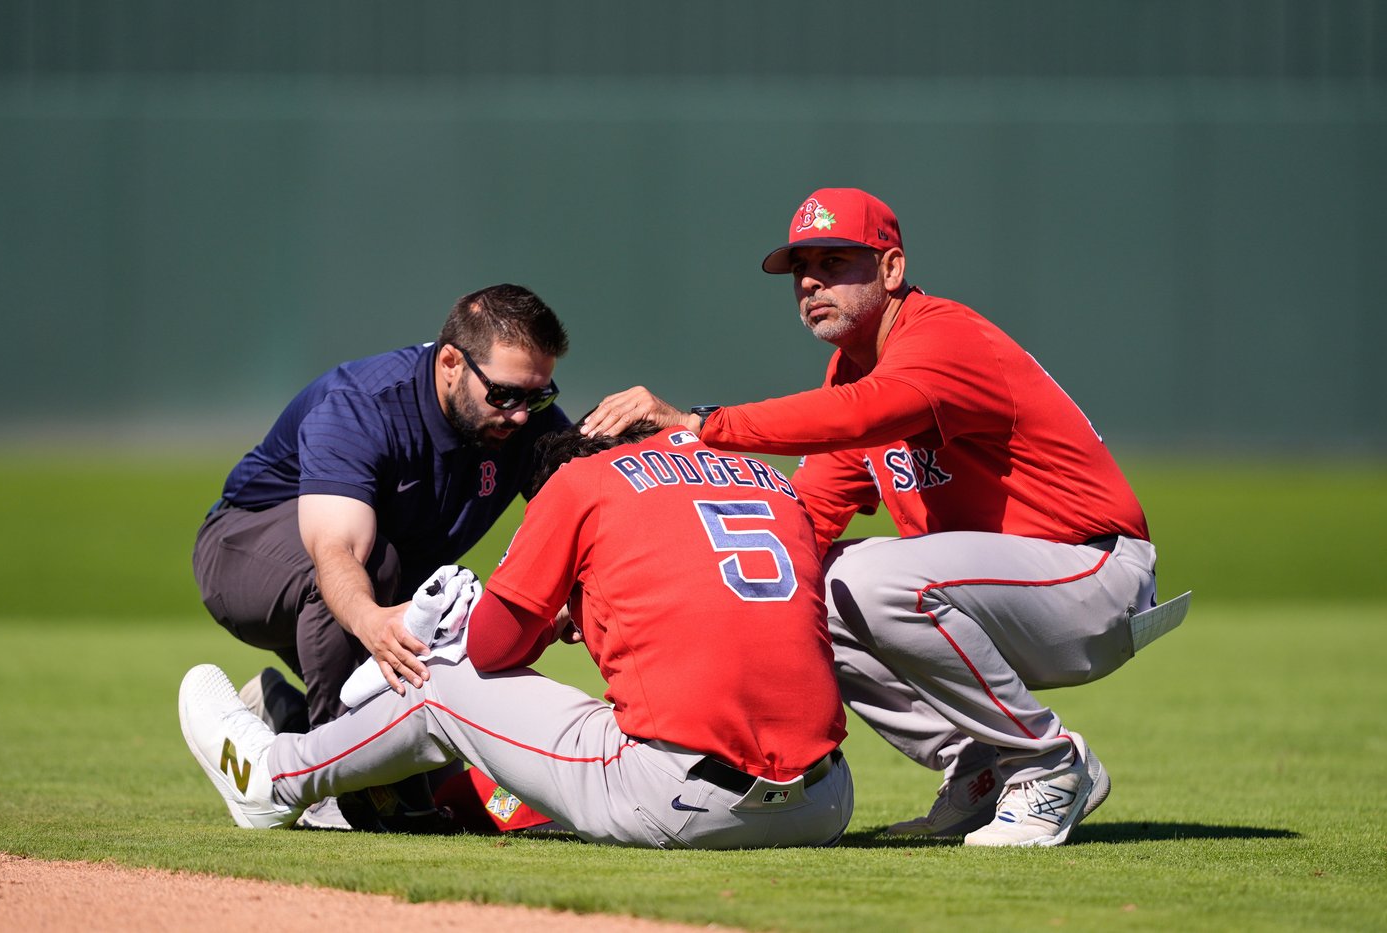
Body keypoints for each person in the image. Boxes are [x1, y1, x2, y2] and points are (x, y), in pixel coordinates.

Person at [580, 187, 1180, 847]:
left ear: (891, 269)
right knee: (796, 587)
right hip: (1001, 597)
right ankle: (977, 767)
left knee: (866, 580)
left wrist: (704, 423)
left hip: (1092, 572)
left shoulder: (943, 336)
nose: (811, 280)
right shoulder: (850, 373)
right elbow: (798, 521)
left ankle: (1049, 761)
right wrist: (646, 584)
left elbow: (865, 412)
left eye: (836, 262)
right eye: (801, 269)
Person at [178, 422, 853, 849]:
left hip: (683, 800)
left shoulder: (583, 479)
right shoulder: (766, 476)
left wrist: (559, 606)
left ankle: (273, 778)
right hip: (827, 802)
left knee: (442, 681)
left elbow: (490, 649)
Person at [192, 283, 570, 830]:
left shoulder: (523, 419)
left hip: (381, 578)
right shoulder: (362, 405)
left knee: (436, 778)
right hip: (244, 552)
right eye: (506, 395)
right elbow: (336, 549)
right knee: (376, 570)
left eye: (538, 398)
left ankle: (284, 715)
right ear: (449, 363)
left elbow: (592, 511)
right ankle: (325, 784)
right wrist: (372, 620)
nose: (519, 416)